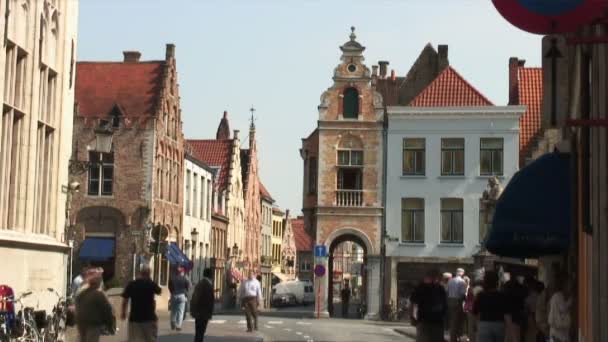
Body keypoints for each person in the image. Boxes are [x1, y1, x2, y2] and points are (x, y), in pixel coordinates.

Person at [121, 265, 162, 342]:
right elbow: (159, 291)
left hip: (135, 318)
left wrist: (123, 312)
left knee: (135, 339)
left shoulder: (132, 284)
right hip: (149, 317)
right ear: (149, 273)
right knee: (150, 339)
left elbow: (125, 300)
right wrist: (150, 280)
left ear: (140, 273)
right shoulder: (151, 284)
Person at [75, 270, 114, 342]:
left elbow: (77, 305)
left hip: (81, 323)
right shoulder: (98, 294)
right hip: (93, 324)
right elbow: (107, 310)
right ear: (98, 283)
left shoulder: (82, 293)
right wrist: (110, 325)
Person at [409, 268, 447, 342]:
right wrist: (412, 317)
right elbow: (413, 303)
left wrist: (412, 317)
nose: (439, 280)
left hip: (433, 322)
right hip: (428, 321)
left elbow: (413, 303)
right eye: (438, 277)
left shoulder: (440, 289)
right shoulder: (423, 287)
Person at [473, 270, 509, 342]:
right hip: (499, 324)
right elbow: (506, 312)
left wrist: (476, 324)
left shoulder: (481, 295)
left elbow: (475, 311)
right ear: (497, 282)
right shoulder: (502, 295)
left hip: (484, 324)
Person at [190, 268, 215, 342]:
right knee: (200, 332)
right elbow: (209, 300)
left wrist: (193, 310)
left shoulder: (200, 284)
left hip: (199, 312)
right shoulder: (207, 285)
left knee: (199, 332)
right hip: (203, 313)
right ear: (210, 276)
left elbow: (194, 297)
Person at [503, 276, 529, 342]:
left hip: (507, 317)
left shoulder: (505, 295)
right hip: (516, 318)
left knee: (508, 337)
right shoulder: (520, 295)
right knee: (516, 337)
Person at [548, 277, 572, 342]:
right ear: (564, 285)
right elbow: (563, 308)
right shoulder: (558, 296)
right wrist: (570, 301)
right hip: (557, 334)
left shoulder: (557, 296)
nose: (570, 287)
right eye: (568, 284)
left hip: (559, 333)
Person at [169, 266, 192, 331]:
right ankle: (178, 325)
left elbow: (169, 287)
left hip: (174, 295)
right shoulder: (184, 279)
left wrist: (172, 292)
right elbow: (188, 287)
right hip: (182, 295)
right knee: (180, 311)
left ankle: (173, 322)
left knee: (173, 311)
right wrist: (186, 293)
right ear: (182, 272)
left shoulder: (172, 278)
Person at [447, 268, 467, 342]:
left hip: (450, 301)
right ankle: (455, 338)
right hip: (458, 301)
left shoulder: (450, 280)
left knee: (452, 320)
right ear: (462, 273)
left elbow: (447, 292)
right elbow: (462, 294)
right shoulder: (462, 282)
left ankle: (454, 337)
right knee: (457, 321)